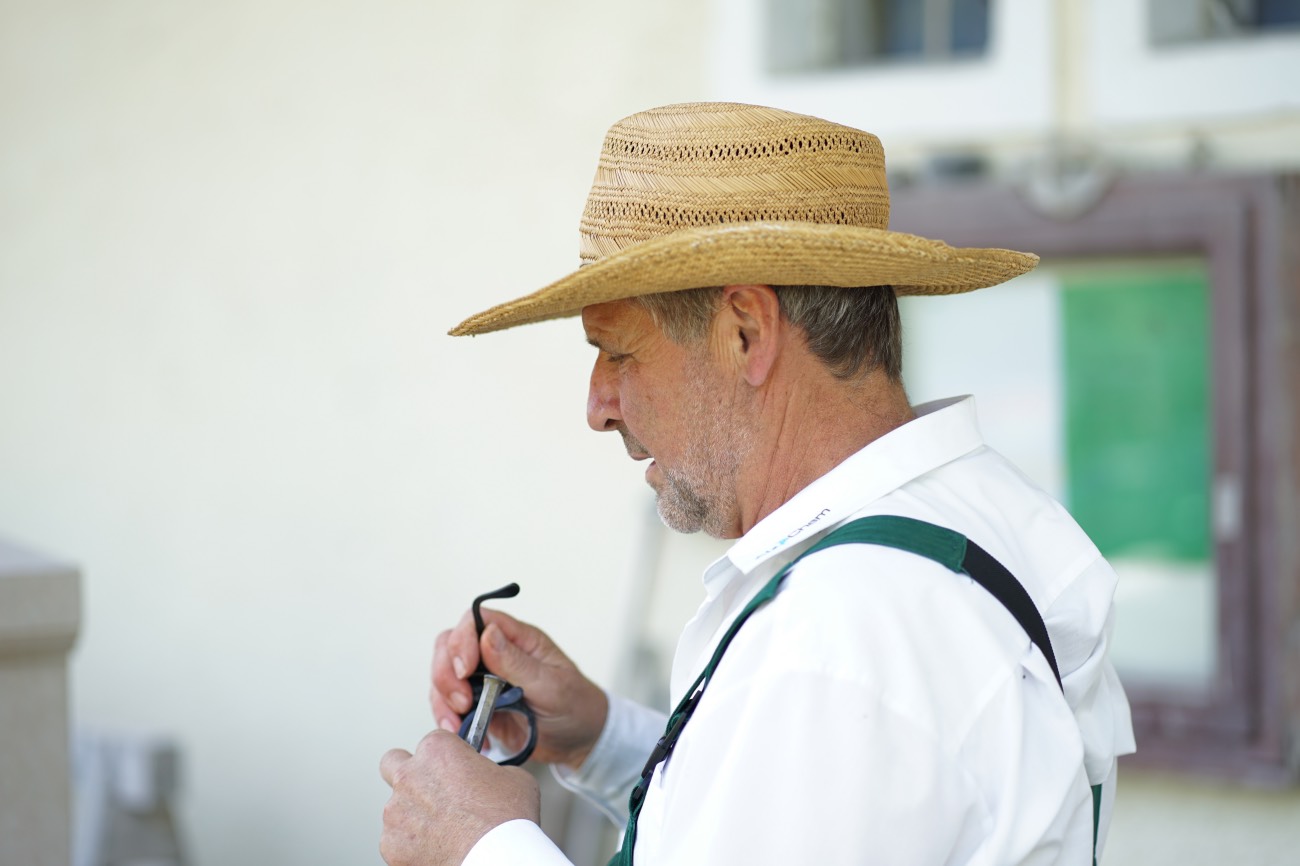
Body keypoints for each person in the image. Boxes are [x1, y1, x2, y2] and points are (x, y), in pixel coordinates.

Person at [379, 102, 1135, 866]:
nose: (597, 408)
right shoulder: (971, 514)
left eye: (618, 352)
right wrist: (600, 734)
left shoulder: (838, 635)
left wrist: (483, 846)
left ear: (746, 330)